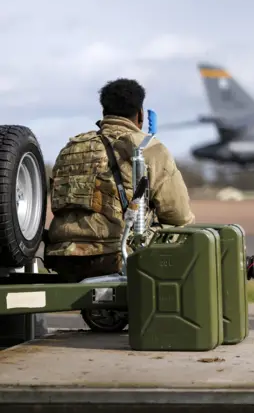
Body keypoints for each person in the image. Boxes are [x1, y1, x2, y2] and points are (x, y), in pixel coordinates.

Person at [44, 78, 195, 282]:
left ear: (105, 112)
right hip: (114, 257)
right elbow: (178, 215)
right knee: (189, 234)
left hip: (61, 257)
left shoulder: (71, 147)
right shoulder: (149, 148)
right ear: (141, 114)